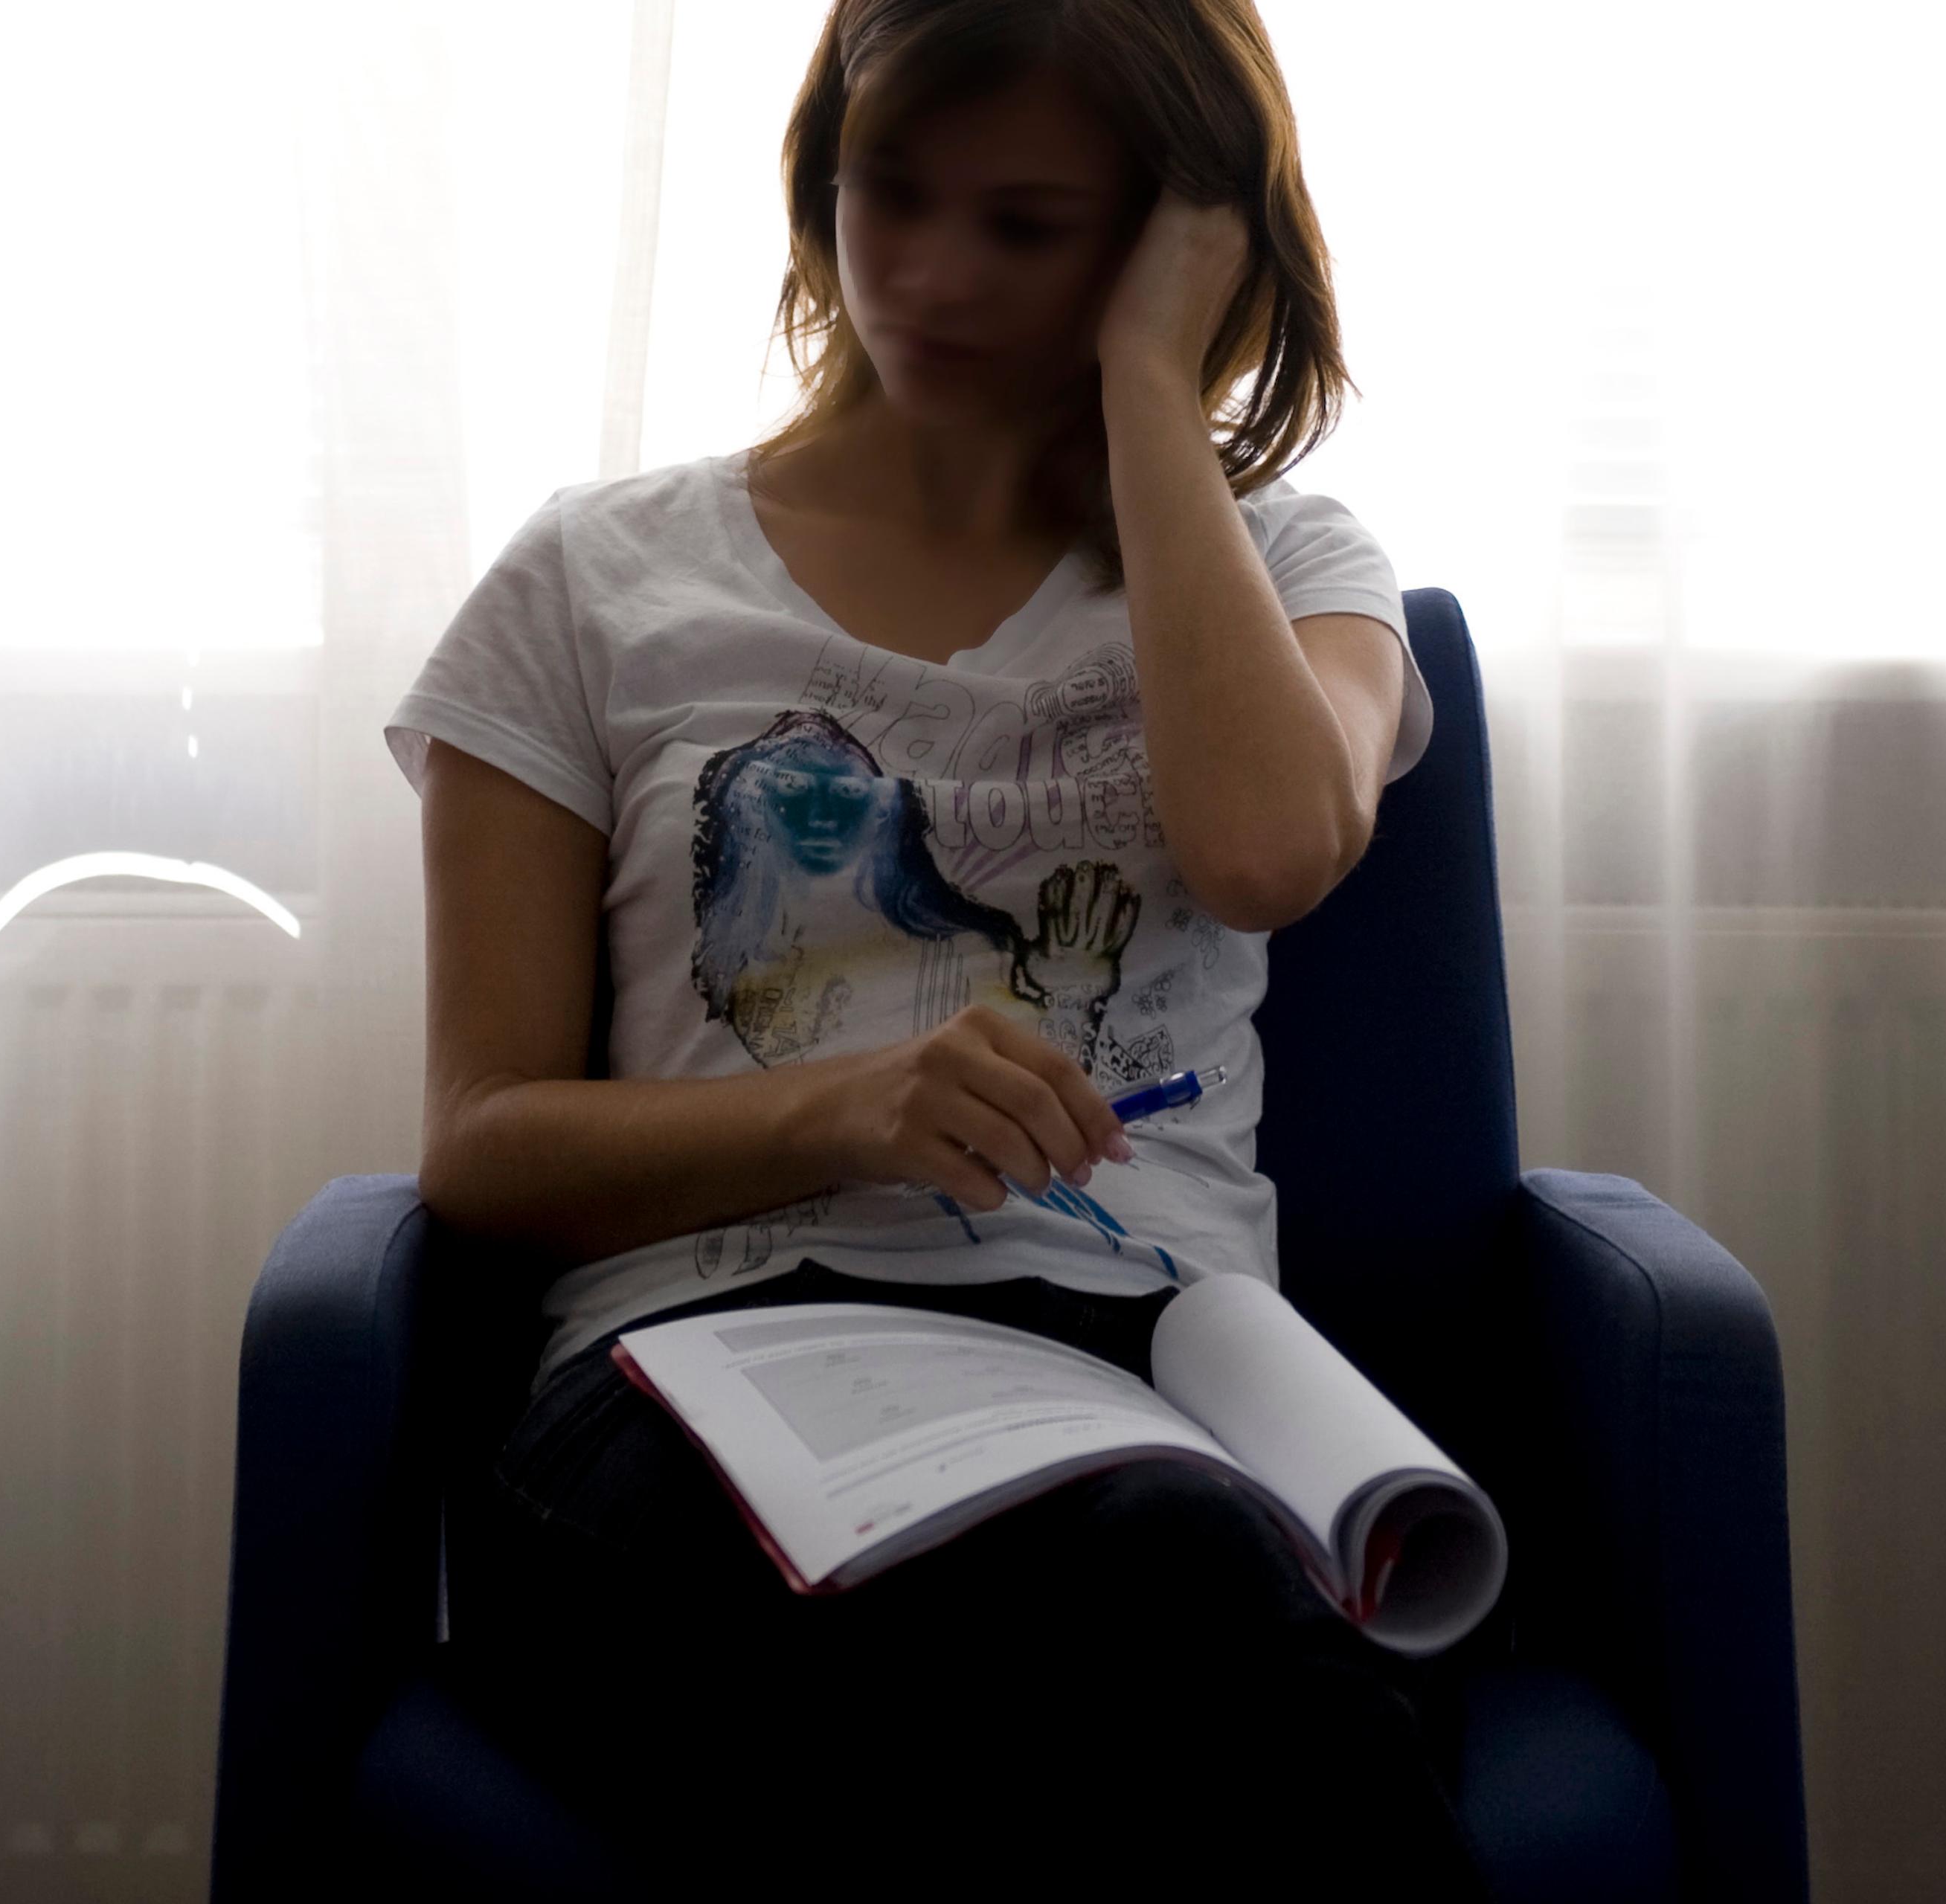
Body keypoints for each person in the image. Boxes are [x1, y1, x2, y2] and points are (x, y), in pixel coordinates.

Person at [383, 1, 1471, 1892]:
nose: (929, 275)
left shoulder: (1293, 567)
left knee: (1159, 1613)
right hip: (702, 1366)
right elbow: (483, 1145)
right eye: (890, 194)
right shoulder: (595, 578)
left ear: (1169, 238)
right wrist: (846, 1106)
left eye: (1029, 225)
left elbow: (1273, 845)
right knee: (1164, 1691)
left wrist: (1151, 385)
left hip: (1141, 1382)